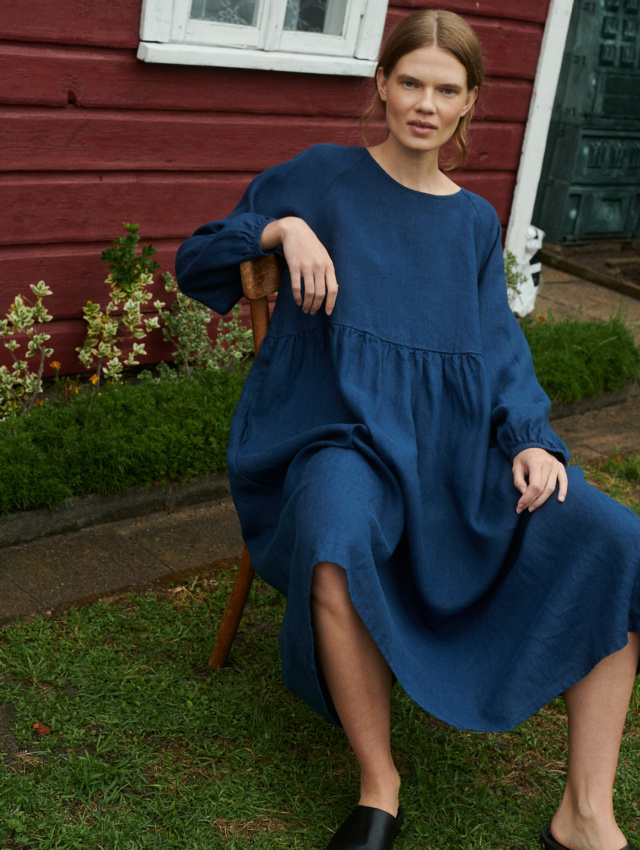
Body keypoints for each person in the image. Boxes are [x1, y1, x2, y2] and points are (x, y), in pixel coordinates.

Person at [176, 9, 640, 850]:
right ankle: (379, 787)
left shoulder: (471, 222)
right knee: (334, 527)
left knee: (613, 535)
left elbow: (496, 349)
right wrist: (283, 227)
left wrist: (531, 436)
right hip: (336, 432)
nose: (425, 104)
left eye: (447, 90)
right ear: (382, 85)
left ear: (470, 105)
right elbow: (198, 257)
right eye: (411, 82)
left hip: (453, 450)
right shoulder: (321, 177)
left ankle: (586, 813)